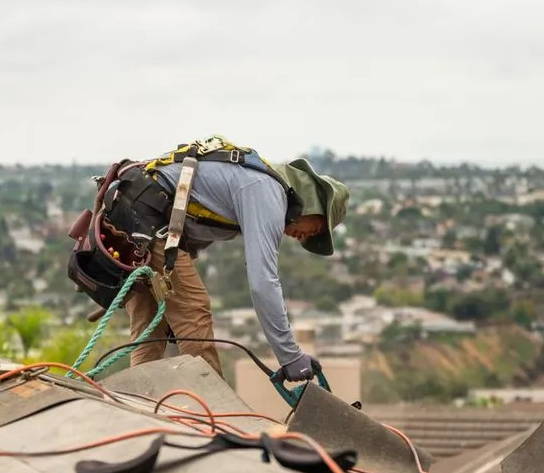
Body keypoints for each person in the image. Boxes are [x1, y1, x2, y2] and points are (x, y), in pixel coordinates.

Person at [79, 135, 350, 385]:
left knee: (150, 325)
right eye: (316, 229)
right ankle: (211, 405)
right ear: (313, 204)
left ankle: (138, 399)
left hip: (130, 213)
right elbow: (263, 282)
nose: (305, 238)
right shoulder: (267, 192)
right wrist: (290, 356)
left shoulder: (255, 180)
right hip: (146, 219)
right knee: (194, 310)